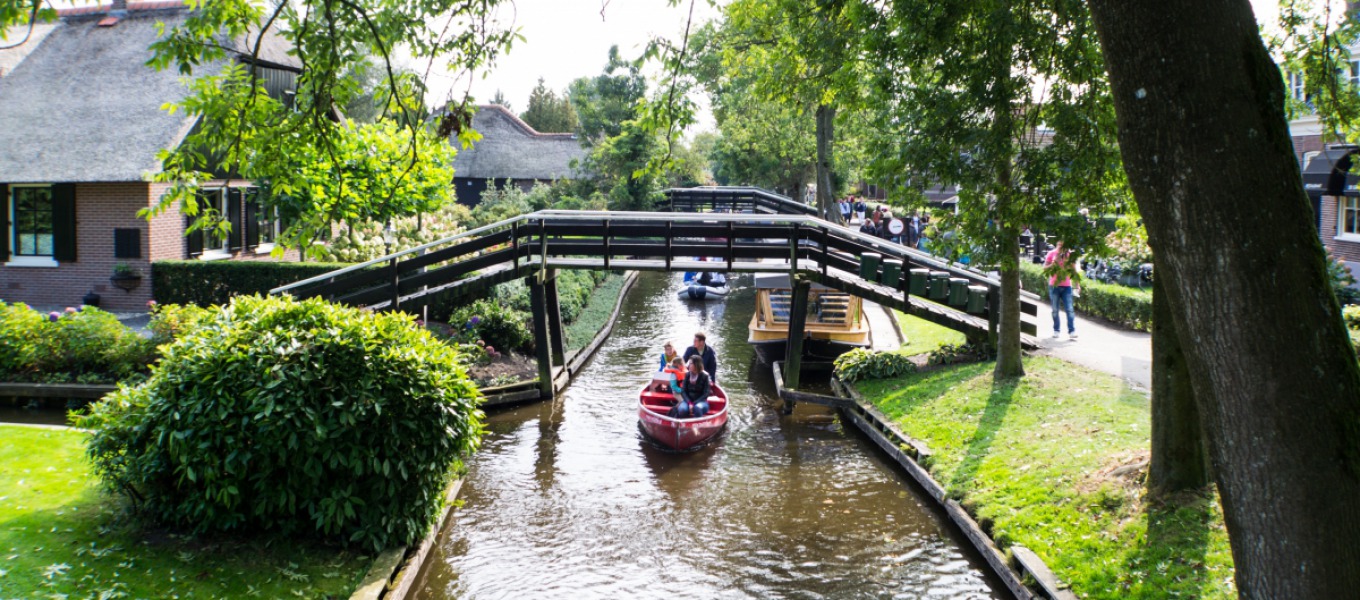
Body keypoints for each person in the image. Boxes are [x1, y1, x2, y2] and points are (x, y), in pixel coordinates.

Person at [1044, 241, 1078, 340]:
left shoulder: (1070, 255)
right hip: (1054, 286)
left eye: (1063, 245)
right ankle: (1056, 330)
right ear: (1057, 244)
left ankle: (1072, 331)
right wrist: (1054, 263)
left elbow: (1074, 271)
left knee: (1069, 309)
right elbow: (1045, 268)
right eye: (1059, 245)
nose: (1060, 247)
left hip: (1067, 286)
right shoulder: (1051, 254)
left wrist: (1077, 285)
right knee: (1055, 310)